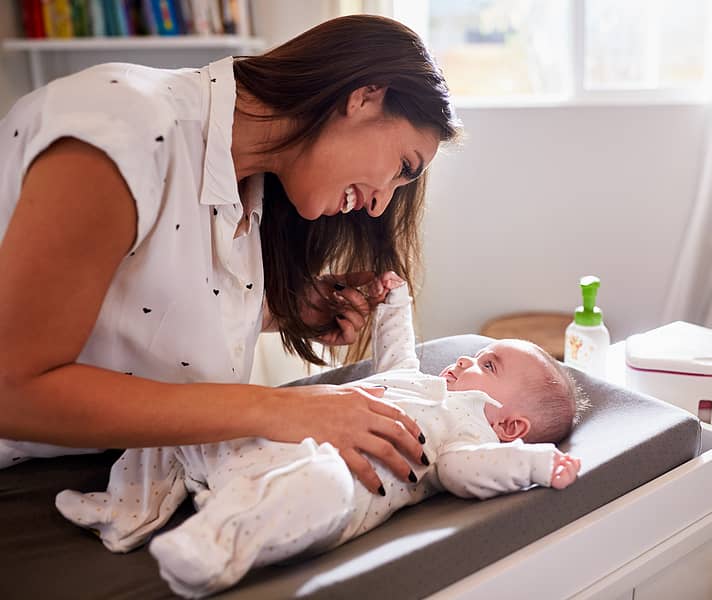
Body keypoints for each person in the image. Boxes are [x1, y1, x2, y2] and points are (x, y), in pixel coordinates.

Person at [0, 15, 461, 493]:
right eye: (402, 166)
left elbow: (134, 310)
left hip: (127, 469)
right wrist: (277, 409)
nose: (380, 204)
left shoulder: (250, 185)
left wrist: (286, 309)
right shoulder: (125, 134)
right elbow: (12, 391)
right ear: (365, 97)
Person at [56, 273, 586, 598]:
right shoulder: (418, 381)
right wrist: (394, 302)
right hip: (259, 445)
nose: (467, 359)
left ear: (510, 426)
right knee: (186, 417)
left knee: (321, 485)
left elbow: (459, 472)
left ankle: (212, 547)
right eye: (478, 354)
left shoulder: (467, 437)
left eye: (488, 366)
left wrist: (533, 463)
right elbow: (397, 354)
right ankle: (125, 510)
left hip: (317, 477)